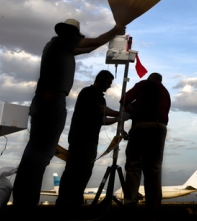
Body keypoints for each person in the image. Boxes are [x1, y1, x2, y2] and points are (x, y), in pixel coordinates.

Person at [12, 19, 124, 208]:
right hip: (51, 102)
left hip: (47, 101)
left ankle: (24, 203)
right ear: (69, 34)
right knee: (40, 156)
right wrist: (116, 30)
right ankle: (25, 206)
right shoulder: (60, 42)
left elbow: (88, 49)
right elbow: (94, 42)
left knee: (36, 155)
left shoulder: (59, 47)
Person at [55, 70, 120, 212]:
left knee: (85, 170)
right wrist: (119, 113)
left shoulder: (99, 98)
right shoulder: (89, 93)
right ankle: (64, 201)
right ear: (101, 80)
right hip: (81, 138)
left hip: (90, 140)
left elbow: (102, 119)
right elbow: (101, 110)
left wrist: (117, 119)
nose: (109, 86)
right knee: (74, 169)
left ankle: (75, 200)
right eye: (108, 83)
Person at [122, 72, 171, 209]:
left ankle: (130, 203)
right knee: (154, 167)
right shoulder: (166, 92)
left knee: (134, 164)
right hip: (160, 128)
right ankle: (153, 205)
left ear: (150, 79)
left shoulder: (144, 84)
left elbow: (124, 100)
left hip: (141, 126)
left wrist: (131, 111)